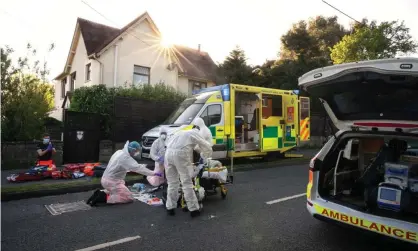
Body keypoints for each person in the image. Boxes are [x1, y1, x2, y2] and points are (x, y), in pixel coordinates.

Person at [87, 141, 162, 206]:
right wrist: (154, 173)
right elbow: (138, 168)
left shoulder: (119, 152)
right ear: (132, 150)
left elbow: (129, 166)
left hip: (106, 179)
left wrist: (142, 167)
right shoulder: (126, 158)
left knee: (115, 191)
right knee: (128, 197)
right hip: (112, 182)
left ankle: (99, 193)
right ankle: (103, 198)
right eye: (136, 151)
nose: (137, 153)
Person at [165, 122, 213, 218]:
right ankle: (194, 210)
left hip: (168, 154)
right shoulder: (194, 132)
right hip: (180, 155)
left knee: (172, 182)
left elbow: (194, 147)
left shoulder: (180, 132)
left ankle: (170, 208)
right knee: (186, 183)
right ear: (198, 129)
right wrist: (205, 156)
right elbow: (206, 146)